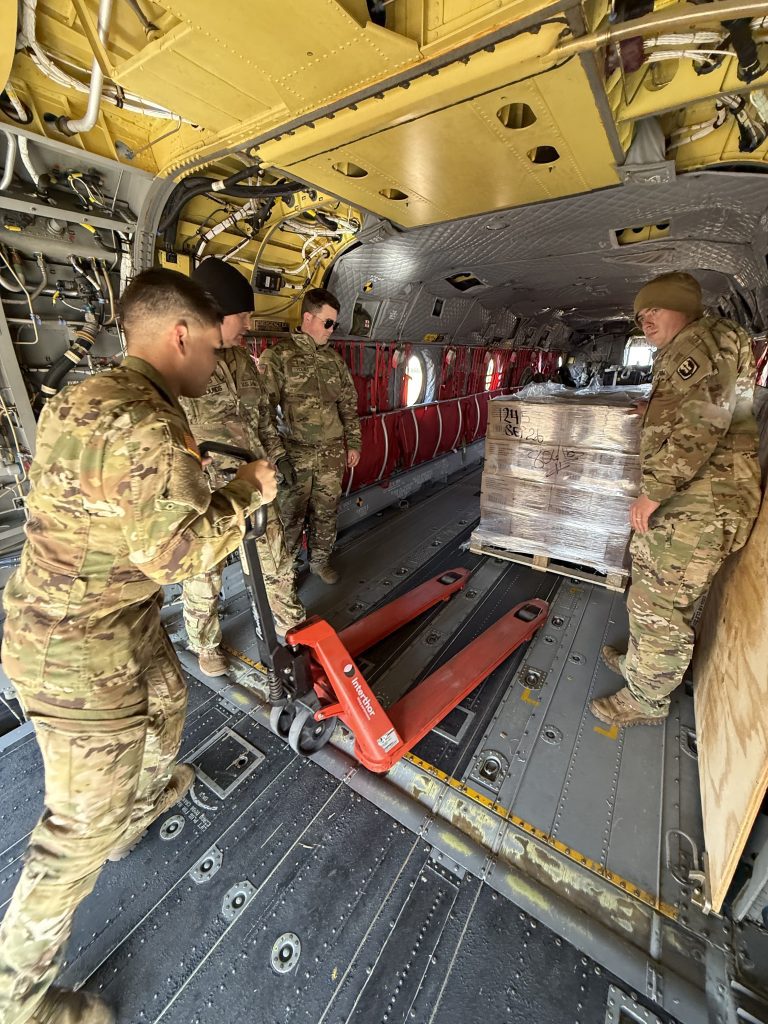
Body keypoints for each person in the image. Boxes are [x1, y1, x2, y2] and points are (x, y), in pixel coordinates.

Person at [0, 268, 277, 1024]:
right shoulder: (151, 425)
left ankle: (135, 808)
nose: (215, 365)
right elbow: (182, 557)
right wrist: (249, 490)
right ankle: (17, 1004)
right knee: (67, 846)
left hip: (103, 622)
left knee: (167, 699)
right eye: (212, 351)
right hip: (79, 659)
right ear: (179, 334)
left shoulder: (82, 397)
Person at [590, 271, 761, 728]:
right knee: (648, 594)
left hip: (702, 504)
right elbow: (702, 409)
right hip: (693, 500)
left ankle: (645, 700)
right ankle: (641, 666)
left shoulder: (703, 344)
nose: (645, 320)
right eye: (641, 314)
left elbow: (702, 427)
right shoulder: (691, 345)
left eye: (654, 310)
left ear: (684, 307)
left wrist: (652, 494)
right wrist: (653, 411)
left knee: (661, 605)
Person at [180, 258, 305, 673]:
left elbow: (263, 418)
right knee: (203, 572)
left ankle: (291, 626)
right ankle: (205, 644)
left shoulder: (239, 361)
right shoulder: (179, 366)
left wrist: (275, 464)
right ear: (215, 314)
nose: (249, 324)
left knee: (278, 558)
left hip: (255, 482)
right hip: (207, 493)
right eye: (244, 314)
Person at [259, 288, 361, 585]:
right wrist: (278, 458)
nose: (331, 331)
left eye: (334, 325)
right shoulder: (279, 357)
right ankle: (285, 572)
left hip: (330, 453)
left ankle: (319, 561)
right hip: (295, 453)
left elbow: (348, 405)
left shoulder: (334, 361)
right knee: (290, 517)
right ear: (308, 318)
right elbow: (264, 412)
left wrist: (353, 443)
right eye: (328, 323)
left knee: (326, 512)